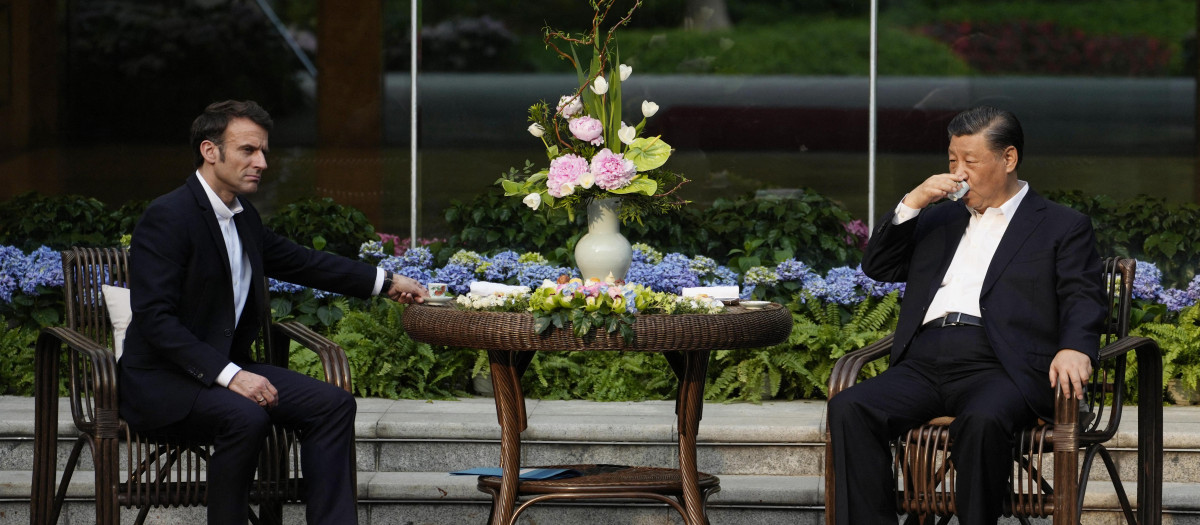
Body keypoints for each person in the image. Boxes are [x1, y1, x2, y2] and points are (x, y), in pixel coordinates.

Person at [118, 100, 427, 525]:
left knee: (333, 404)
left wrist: (386, 282)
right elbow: (155, 320)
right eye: (248, 150)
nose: (261, 162)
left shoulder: (244, 218)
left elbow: (304, 262)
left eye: (263, 151)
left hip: (223, 372)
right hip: (161, 381)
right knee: (244, 414)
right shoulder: (168, 217)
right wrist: (232, 376)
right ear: (210, 151)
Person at [827, 105, 1106, 524]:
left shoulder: (1060, 226)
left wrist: (1074, 347)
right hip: (924, 361)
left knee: (982, 421)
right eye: (952, 161)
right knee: (850, 406)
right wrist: (913, 201)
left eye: (970, 162)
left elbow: (1082, 295)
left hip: (1000, 366)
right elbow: (878, 267)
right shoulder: (938, 217)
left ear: (1008, 159)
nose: (958, 173)